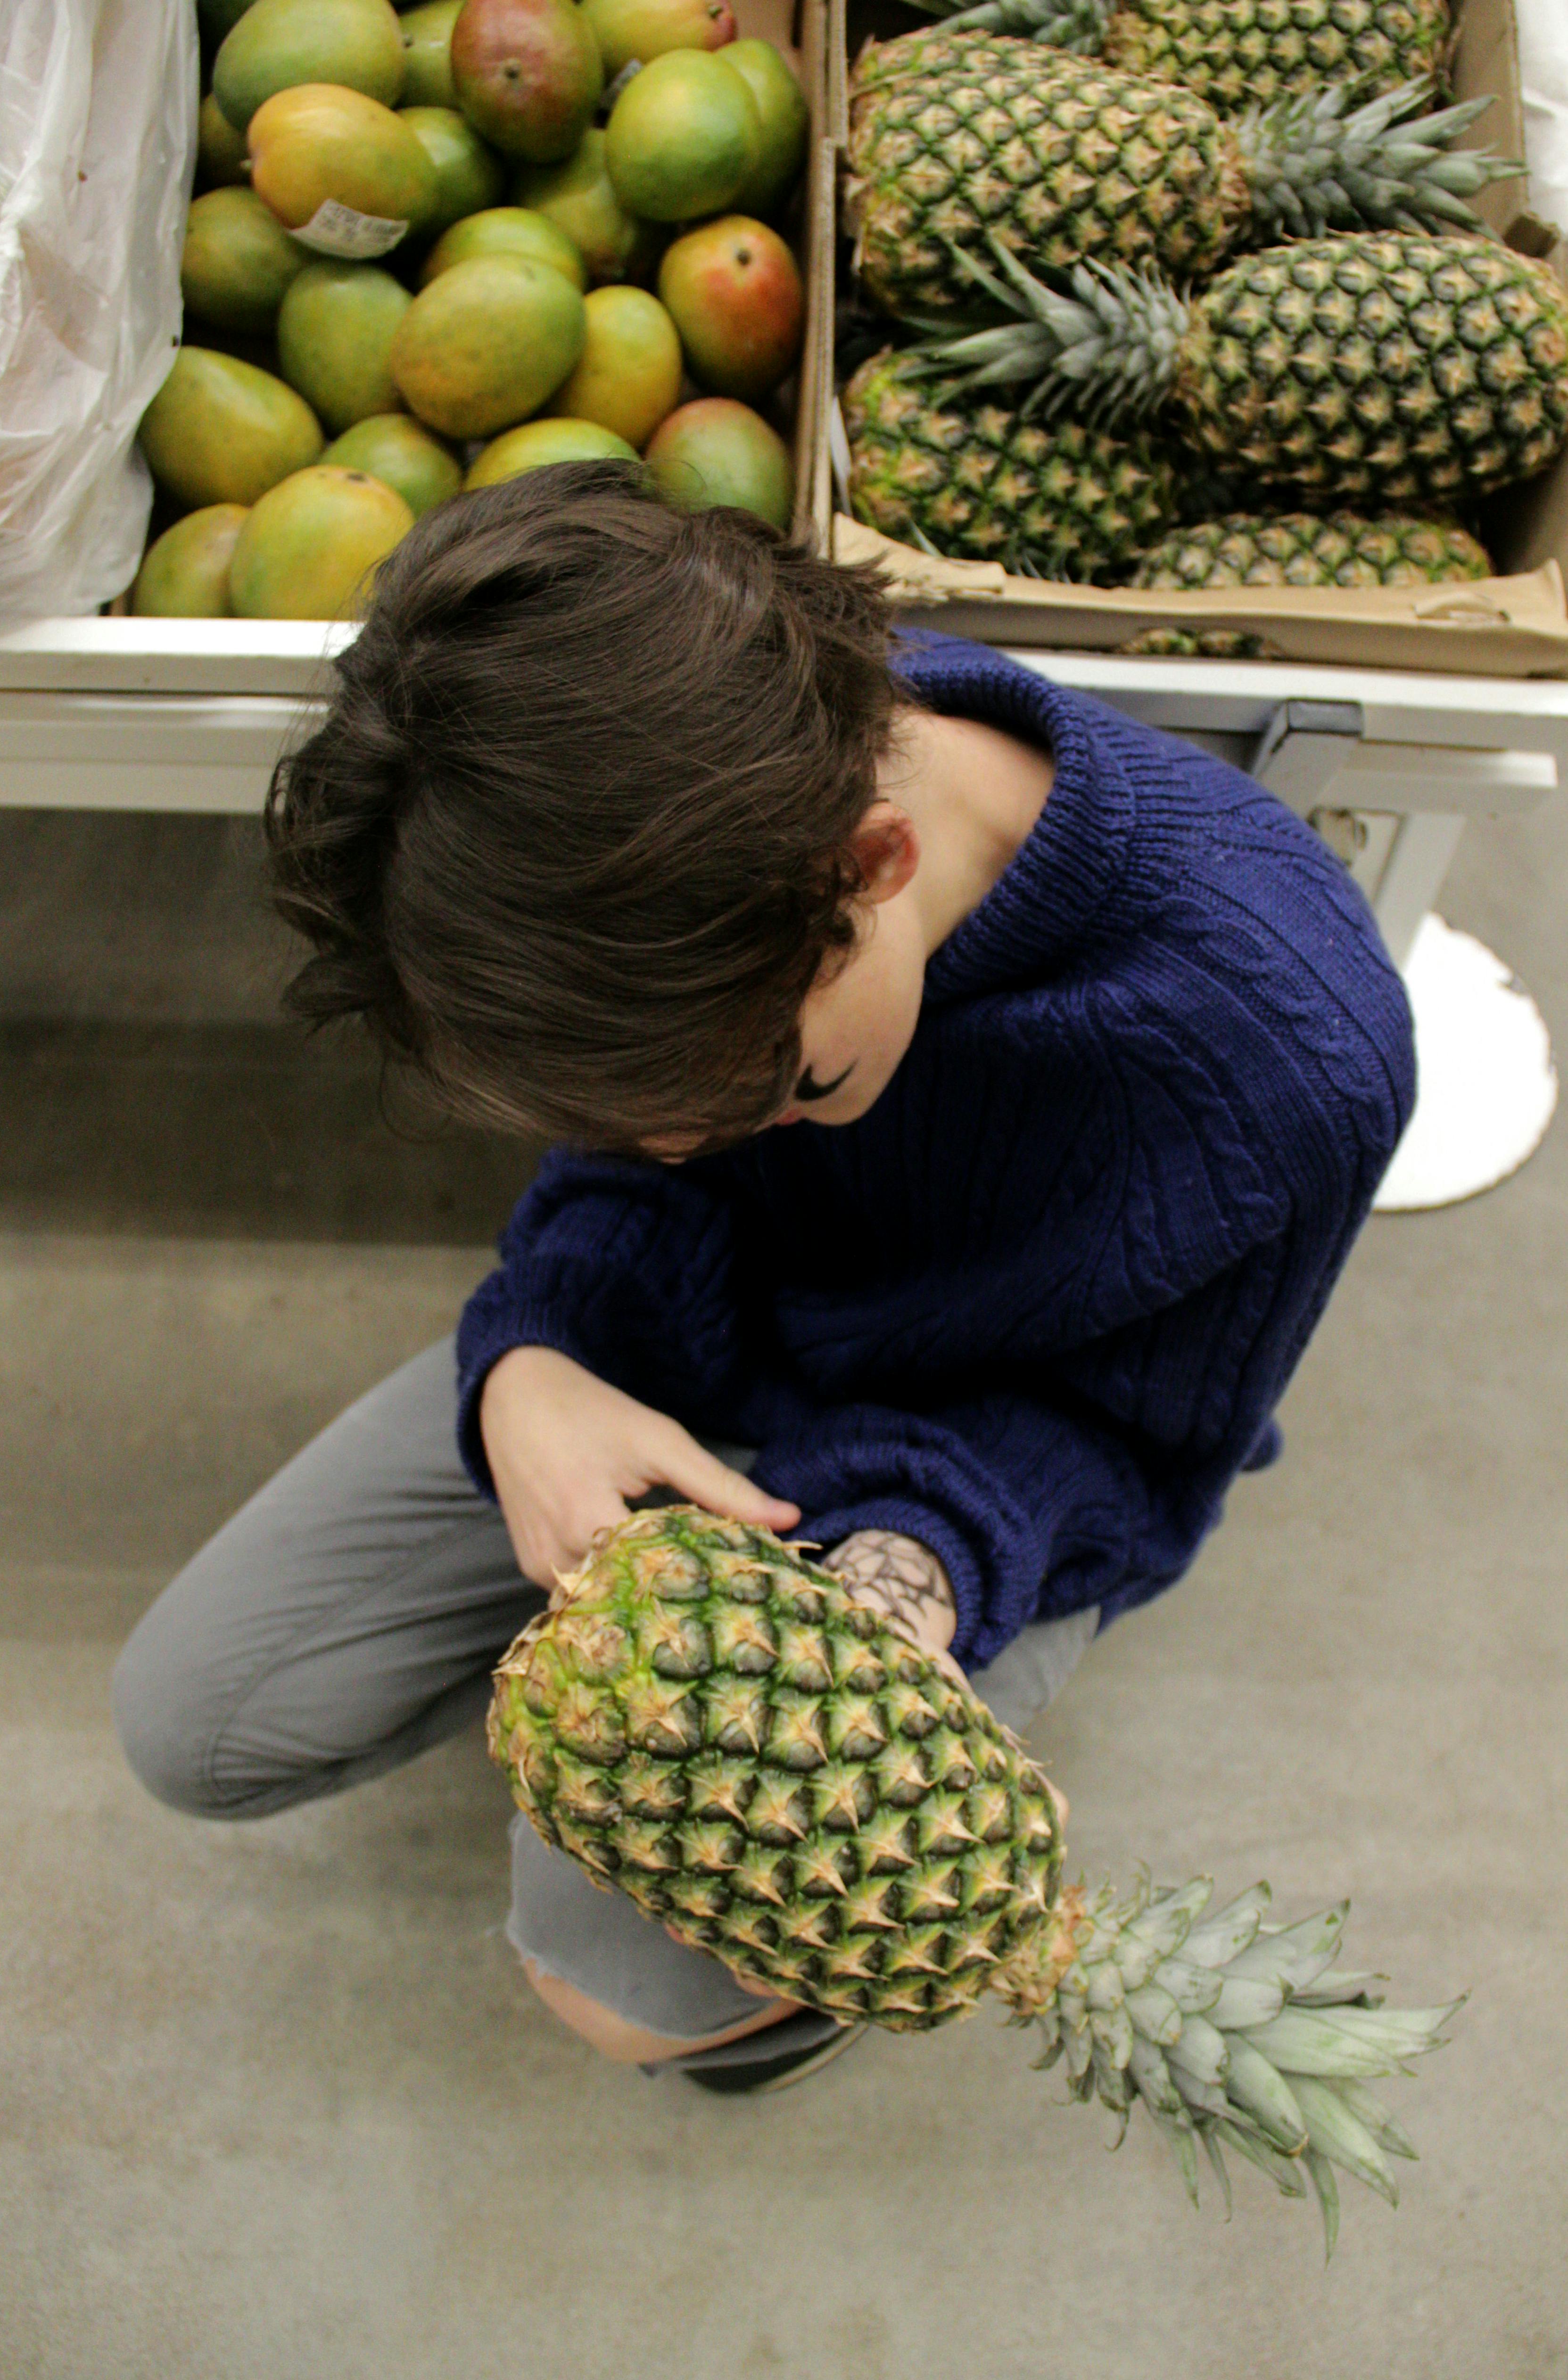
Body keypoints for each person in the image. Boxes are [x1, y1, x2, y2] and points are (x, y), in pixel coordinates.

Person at [113, 468, 1415, 2095]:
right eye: (621, 1115)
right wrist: (536, 1362)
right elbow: (625, 1173)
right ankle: (613, 1741)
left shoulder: (1291, 1045)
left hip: (964, 1487)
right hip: (668, 1356)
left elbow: (1144, 1448)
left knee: (623, 1982)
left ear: (868, 864)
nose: (679, 1148)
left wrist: (911, 1572)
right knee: (200, 1724)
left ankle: (774, 1975)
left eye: (760, 1094)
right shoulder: (676, 780)